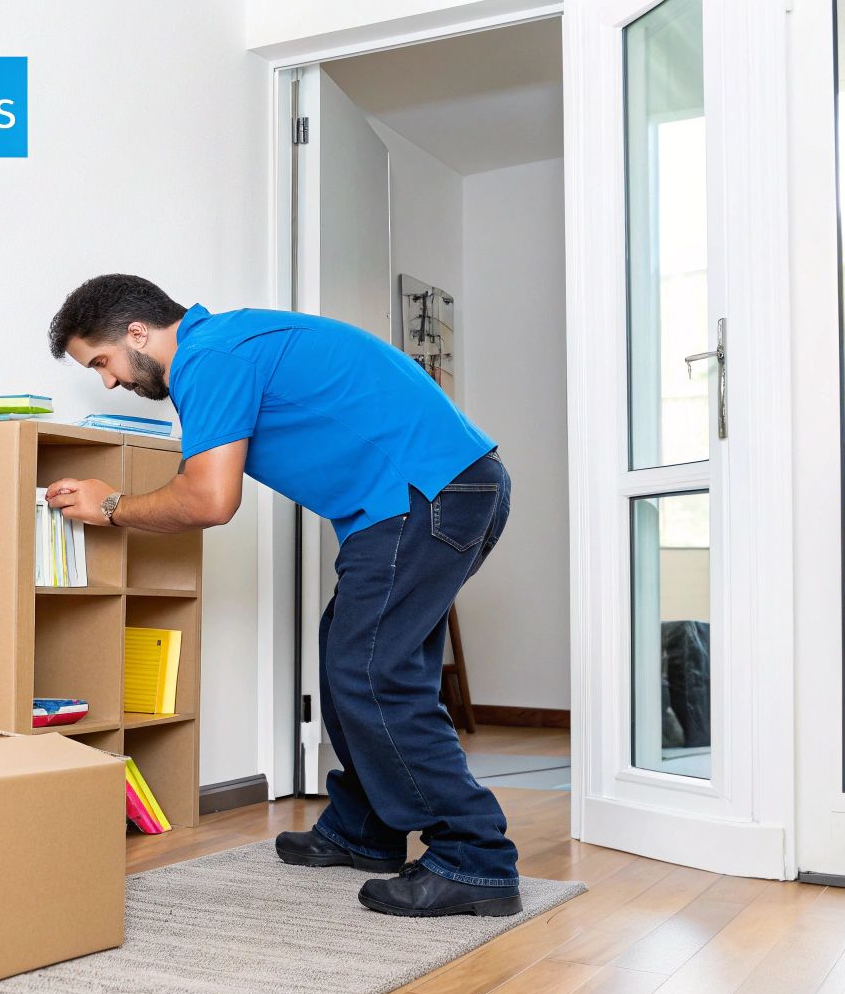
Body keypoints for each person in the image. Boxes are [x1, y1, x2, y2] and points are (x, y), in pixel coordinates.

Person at [44, 273, 519, 918]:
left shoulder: (210, 358)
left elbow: (210, 499)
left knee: (374, 674)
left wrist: (112, 506)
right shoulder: (231, 343)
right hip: (429, 495)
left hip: (423, 496)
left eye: (101, 362)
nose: (107, 380)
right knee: (348, 661)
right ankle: (365, 827)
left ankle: (475, 860)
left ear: (137, 333)